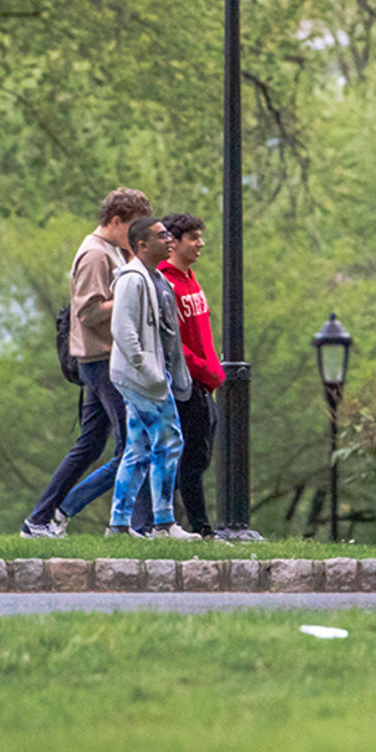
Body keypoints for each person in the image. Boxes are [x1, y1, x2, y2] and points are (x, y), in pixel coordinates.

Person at [22, 188, 146, 538]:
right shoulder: (95, 254)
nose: (137, 236)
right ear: (116, 220)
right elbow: (89, 311)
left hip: (107, 356)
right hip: (102, 358)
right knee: (132, 447)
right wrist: (131, 294)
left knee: (91, 445)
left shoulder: (114, 251)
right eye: (133, 227)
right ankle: (117, 521)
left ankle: (40, 519)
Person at [106, 218, 199, 539]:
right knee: (171, 441)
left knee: (139, 447)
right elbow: (123, 329)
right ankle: (163, 523)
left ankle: (119, 524)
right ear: (142, 244)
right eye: (162, 236)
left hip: (150, 377)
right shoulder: (132, 279)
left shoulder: (156, 277)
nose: (169, 239)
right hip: (143, 379)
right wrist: (148, 371)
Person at [156, 212, 225, 536]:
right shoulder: (165, 282)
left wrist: (212, 370)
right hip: (186, 384)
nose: (200, 243)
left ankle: (181, 525)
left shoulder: (190, 278)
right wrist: (198, 368)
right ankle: (196, 528)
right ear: (173, 242)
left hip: (204, 382)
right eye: (193, 238)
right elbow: (169, 341)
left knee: (200, 457)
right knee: (189, 460)